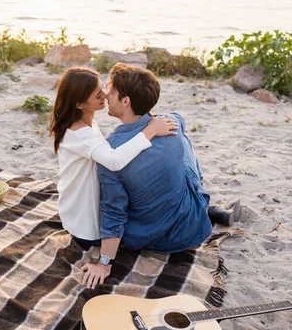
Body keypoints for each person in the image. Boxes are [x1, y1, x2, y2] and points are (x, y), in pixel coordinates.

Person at [81, 63, 239, 290]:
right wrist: (152, 119)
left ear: (126, 102)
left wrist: (104, 263)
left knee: (177, 142)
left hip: (158, 240)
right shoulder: (168, 121)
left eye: (111, 91)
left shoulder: (111, 153)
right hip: (194, 224)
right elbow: (179, 119)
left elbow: (113, 213)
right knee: (181, 138)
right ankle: (209, 208)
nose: (105, 95)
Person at [49, 66, 179, 244]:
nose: (105, 94)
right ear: (79, 104)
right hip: (87, 227)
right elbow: (114, 160)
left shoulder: (85, 123)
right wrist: (150, 130)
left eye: (102, 88)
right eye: (97, 95)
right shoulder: (79, 133)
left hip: (87, 205)